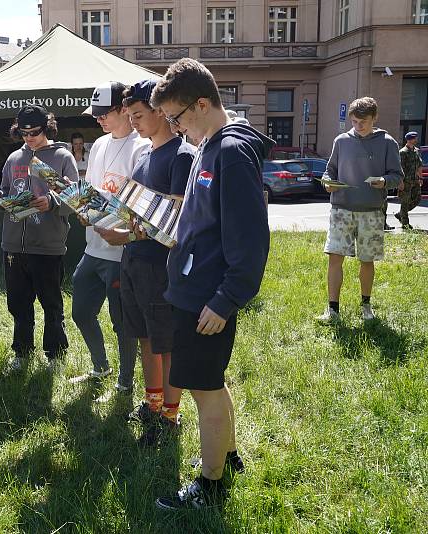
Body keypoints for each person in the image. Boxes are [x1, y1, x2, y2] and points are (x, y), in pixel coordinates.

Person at [151, 58, 273, 509]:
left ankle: (211, 483)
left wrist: (225, 300)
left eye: (177, 118)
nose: (175, 128)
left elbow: (251, 240)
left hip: (208, 295)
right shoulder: (209, 144)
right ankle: (230, 455)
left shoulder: (231, 152)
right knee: (211, 382)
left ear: (202, 104)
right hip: (192, 285)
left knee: (203, 390)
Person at [97, 80, 195, 446]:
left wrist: (129, 234)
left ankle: (171, 413)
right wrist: (106, 218)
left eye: (138, 115)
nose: (133, 122)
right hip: (133, 261)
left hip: (159, 265)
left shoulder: (181, 156)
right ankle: (152, 401)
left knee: (164, 342)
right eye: (130, 115)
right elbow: (132, 210)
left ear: (160, 111)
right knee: (142, 337)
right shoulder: (143, 156)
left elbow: (175, 219)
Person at [0, 104, 78, 371]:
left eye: (35, 132)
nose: (29, 138)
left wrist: (52, 201)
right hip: (13, 242)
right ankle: (22, 353)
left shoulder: (62, 156)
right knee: (18, 303)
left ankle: (55, 355)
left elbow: (75, 198)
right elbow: (4, 188)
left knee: (51, 303)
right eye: (24, 133)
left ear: (46, 128)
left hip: (48, 244)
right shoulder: (14, 158)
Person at [68, 81, 147, 398]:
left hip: (122, 250)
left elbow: (139, 206)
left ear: (124, 109)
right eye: (96, 114)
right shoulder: (99, 144)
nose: (98, 119)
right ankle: (101, 366)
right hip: (94, 246)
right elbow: (89, 190)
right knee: (81, 311)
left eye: (104, 113)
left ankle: (126, 384)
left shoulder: (141, 147)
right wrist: (81, 207)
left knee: (122, 323)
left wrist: (104, 214)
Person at [316, 97, 403, 323]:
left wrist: (384, 181)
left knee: (367, 260)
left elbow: (397, 176)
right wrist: (327, 182)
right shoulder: (341, 141)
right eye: (354, 122)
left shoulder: (387, 143)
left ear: (374, 118)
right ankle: (332, 310)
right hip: (341, 209)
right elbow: (330, 170)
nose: (358, 126)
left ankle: (366, 306)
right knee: (334, 258)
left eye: (363, 122)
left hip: (371, 211)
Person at [396, 131, 422, 230]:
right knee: (405, 202)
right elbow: (399, 168)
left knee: (417, 199)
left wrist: (420, 178)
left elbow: (419, 165)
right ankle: (405, 224)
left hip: (415, 180)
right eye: (415, 138)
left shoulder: (416, 151)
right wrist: (400, 182)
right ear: (409, 139)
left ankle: (400, 214)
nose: (416, 140)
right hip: (406, 181)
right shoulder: (402, 152)